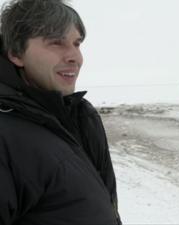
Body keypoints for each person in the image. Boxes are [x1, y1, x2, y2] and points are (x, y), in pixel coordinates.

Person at [0, 1, 121, 224]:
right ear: (16, 53)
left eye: (77, 43)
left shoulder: (83, 117)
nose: (75, 57)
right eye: (56, 42)